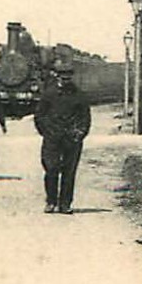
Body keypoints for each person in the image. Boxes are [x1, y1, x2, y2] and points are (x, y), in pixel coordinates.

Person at [34, 63, 91, 213]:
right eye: (62, 78)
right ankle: (51, 201)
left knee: (69, 171)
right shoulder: (49, 94)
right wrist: (46, 132)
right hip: (52, 138)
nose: (65, 81)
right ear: (57, 76)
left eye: (68, 78)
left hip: (72, 139)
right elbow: (39, 115)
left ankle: (65, 204)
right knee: (51, 169)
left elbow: (85, 117)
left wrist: (80, 133)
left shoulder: (79, 95)